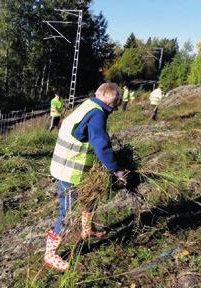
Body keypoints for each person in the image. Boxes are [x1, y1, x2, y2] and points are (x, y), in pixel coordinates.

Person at [44, 83, 130, 272]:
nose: (115, 109)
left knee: (90, 196)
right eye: (116, 105)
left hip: (75, 167)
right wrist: (116, 169)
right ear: (112, 101)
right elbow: (101, 144)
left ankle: (87, 230)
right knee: (66, 212)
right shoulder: (97, 114)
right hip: (69, 170)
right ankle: (50, 254)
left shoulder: (90, 104)